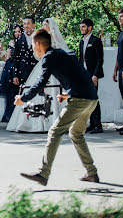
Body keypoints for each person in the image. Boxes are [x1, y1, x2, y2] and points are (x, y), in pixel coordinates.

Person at [16, 28, 100, 186]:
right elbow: (79, 75)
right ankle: (92, 173)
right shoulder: (62, 53)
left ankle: (43, 173)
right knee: (76, 134)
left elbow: (41, 82)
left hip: (81, 100)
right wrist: (68, 94)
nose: (33, 48)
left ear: (39, 44)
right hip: (91, 98)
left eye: (33, 45)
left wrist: (23, 98)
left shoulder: (49, 57)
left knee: (55, 131)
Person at [7, 18, 68, 132]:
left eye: (46, 25)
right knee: (36, 90)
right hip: (40, 65)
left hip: (52, 66)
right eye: (43, 24)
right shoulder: (37, 38)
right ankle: (32, 123)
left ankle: (55, 120)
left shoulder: (54, 38)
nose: (44, 26)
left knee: (53, 91)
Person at [79, 18, 104, 134]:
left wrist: (95, 75)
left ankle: (98, 125)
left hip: (92, 74)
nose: (81, 29)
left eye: (83, 27)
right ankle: (92, 124)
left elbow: (100, 59)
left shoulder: (95, 41)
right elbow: (81, 59)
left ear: (90, 27)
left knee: (93, 99)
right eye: (81, 27)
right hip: (84, 74)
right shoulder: (81, 42)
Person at [0, 25, 22, 123]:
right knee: (10, 93)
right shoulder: (11, 43)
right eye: (16, 32)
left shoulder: (25, 42)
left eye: (19, 31)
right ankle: (9, 116)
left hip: (20, 67)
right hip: (10, 69)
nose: (17, 33)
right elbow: (8, 57)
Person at [12, 16, 38, 87]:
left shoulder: (39, 38)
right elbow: (16, 58)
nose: (26, 26)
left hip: (36, 71)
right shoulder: (19, 40)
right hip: (23, 72)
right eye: (24, 24)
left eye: (28, 23)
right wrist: (15, 75)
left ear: (34, 25)